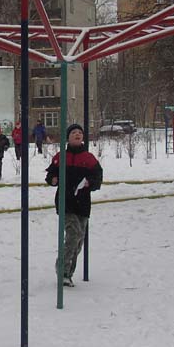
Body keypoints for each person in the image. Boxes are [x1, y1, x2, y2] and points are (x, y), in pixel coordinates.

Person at [45, 123, 103, 287]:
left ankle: (68, 274)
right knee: (73, 234)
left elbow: (98, 177)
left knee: (78, 241)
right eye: (73, 133)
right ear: (68, 137)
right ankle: (62, 269)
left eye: (80, 133)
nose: (77, 135)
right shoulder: (61, 157)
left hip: (83, 204)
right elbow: (50, 174)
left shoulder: (89, 158)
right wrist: (52, 179)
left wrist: (90, 183)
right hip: (66, 202)